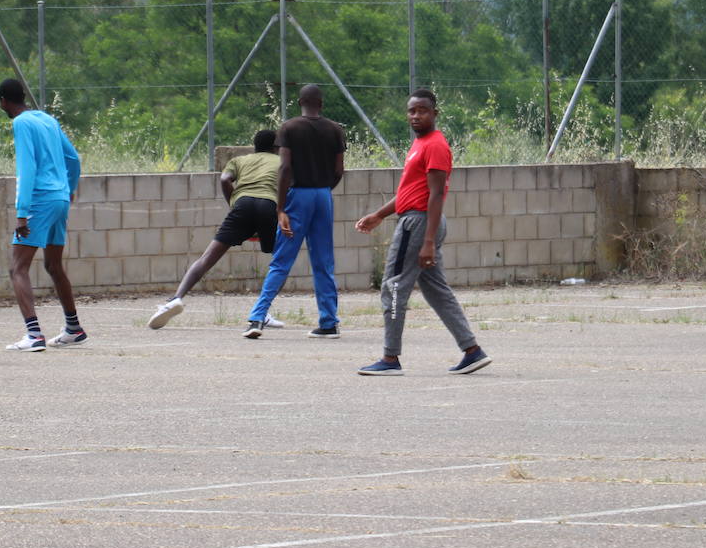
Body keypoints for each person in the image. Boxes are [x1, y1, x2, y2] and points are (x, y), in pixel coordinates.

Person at [354, 88, 490, 376]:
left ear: (435, 113)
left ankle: (390, 359)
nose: (415, 115)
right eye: (412, 111)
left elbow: (436, 194)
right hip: (417, 220)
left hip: (419, 224)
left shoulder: (435, 145)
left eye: (422, 110)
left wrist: (427, 242)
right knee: (436, 290)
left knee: (392, 286)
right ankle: (472, 351)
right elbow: (409, 192)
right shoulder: (420, 144)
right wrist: (379, 214)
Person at [148, 129, 285, 329]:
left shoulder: (241, 160)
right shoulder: (282, 161)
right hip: (269, 205)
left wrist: (233, 202)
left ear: (255, 146)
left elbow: (224, 179)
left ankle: (176, 298)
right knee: (281, 262)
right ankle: (261, 312)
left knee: (207, 258)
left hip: (242, 205)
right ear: (276, 147)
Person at [243, 83, 345, 339]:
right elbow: (339, 171)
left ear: (300, 102)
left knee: (282, 259)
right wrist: (323, 190)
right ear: (321, 104)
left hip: (298, 197)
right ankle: (329, 322)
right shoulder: (335, 129)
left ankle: (257, 318)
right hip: (323, 196)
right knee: (323, 261)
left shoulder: (289, 127)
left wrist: (280, 207)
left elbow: (285, 168)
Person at [0, 78, 85, 351]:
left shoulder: (20, 123)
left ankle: (33, 334)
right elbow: (74, 159)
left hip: (40, 200)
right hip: (59, 198)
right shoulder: (47, 119)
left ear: (3, 101)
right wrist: (69, 189)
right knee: (53, 265)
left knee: (17, 267)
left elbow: (27, 167)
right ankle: (73, 328)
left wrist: (22, 213)